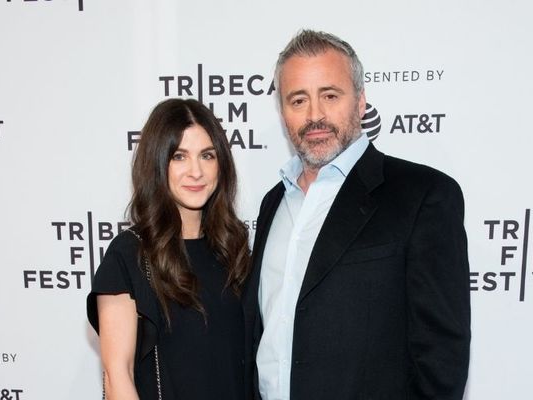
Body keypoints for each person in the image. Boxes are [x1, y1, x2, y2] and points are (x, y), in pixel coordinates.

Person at [243, 30, 471, 400]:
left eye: (330, 96)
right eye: (298, 100)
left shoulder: (423, 196)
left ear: (361, 102)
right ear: (283, 112)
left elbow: (442, 360)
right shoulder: (274, 202)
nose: (315, 115)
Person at [87, 98, 250, 399]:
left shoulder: (233, 247)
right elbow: (117, 375)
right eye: (179, 157)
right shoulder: (129, 255)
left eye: (207, 155)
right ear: (157, 163)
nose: (196, 171)